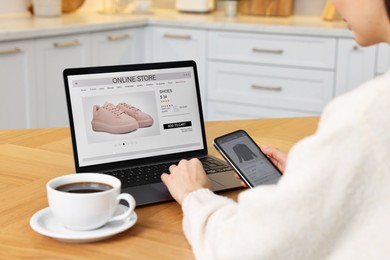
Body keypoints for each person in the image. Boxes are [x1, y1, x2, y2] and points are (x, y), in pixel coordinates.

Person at [161, 0, 390, 259]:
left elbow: (245, 249)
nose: (334, 4)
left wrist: (194, 194)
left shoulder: (363, 116)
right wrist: (314, 175)